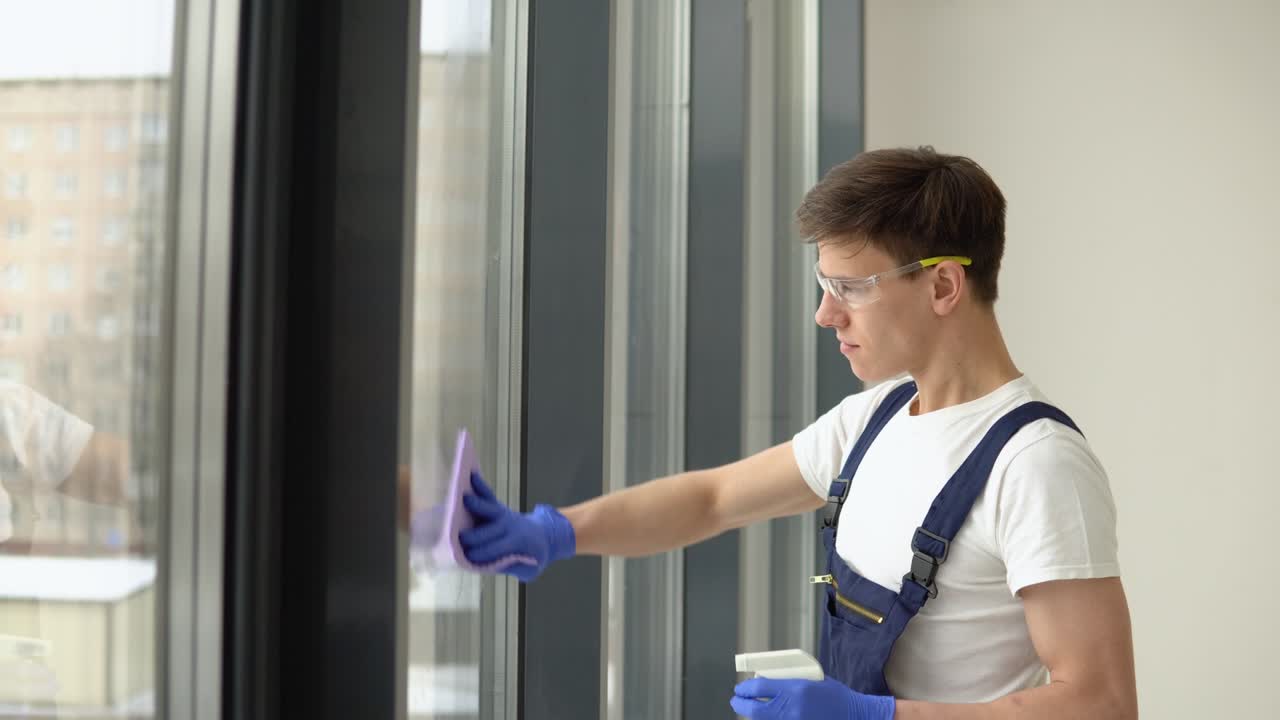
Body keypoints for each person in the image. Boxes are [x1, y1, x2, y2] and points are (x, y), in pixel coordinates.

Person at [459, 147, 1137, 719]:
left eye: (852, 288)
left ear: (942, 287)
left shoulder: (1036, 465)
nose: (825, 314)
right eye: (824, 285)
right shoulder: (874, 418)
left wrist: (879, 717)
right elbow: (712, 500)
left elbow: (1102, 702)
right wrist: (557, 532)